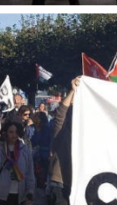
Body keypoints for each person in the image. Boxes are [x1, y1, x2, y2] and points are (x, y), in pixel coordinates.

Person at [48, 77, 79, 205]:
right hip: (60, 181)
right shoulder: (61, 129)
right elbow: (62, 113)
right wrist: (72, 91)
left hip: (79, 181)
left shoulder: (87, 130)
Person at [0, 121, 35, 205]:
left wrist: (30, 193)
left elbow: (29, 172)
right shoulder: (0, 148)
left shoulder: (25, 150)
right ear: (6, 133)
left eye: (16, 132)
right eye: (11, 132)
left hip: (20, 194)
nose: (14, 135)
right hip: (1, 194)